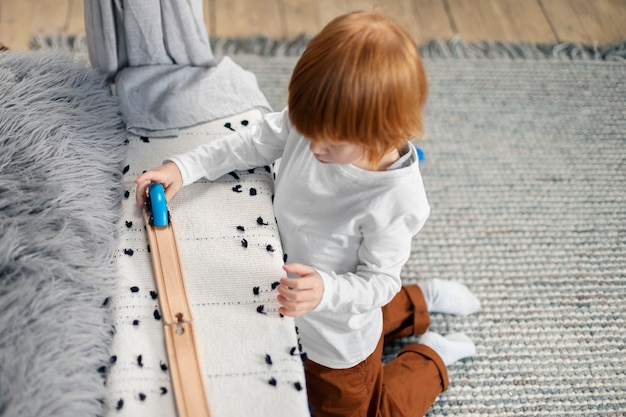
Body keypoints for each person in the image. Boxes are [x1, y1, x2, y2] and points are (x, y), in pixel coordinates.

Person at [135, 11, 480, 417]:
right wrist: (183, 167)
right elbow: (252, 141)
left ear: (380, 134)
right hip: (294, 306)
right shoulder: (317, 125)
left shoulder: (396, 198)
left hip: (337, 341)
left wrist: (327, 292)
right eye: (305, 129)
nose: (312, 148)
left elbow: (380, 281)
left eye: (330, 145)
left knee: (370, 409)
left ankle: (430, 358)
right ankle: (423, 300)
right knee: (358, 319)